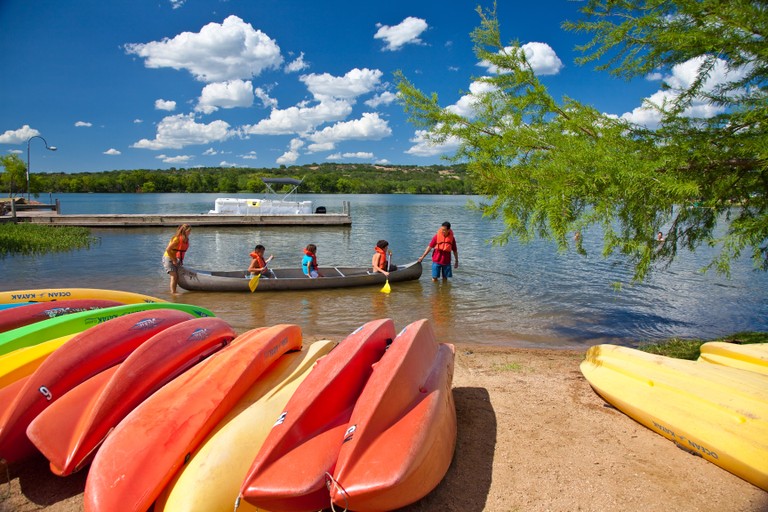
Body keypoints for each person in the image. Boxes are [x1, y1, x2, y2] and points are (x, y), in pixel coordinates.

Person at [162, 224, 191, 294]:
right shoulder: (177, 239)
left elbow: (181, 251)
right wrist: (174, 259)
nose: (190, 233)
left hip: (175, 259)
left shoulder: (186, 240)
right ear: (184, 231)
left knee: (177, 276)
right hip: (168, 258)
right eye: (188, 231)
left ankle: (174, 291)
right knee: (174, 276)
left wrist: (179, 260)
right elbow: (168, 249)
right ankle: (173, 293)